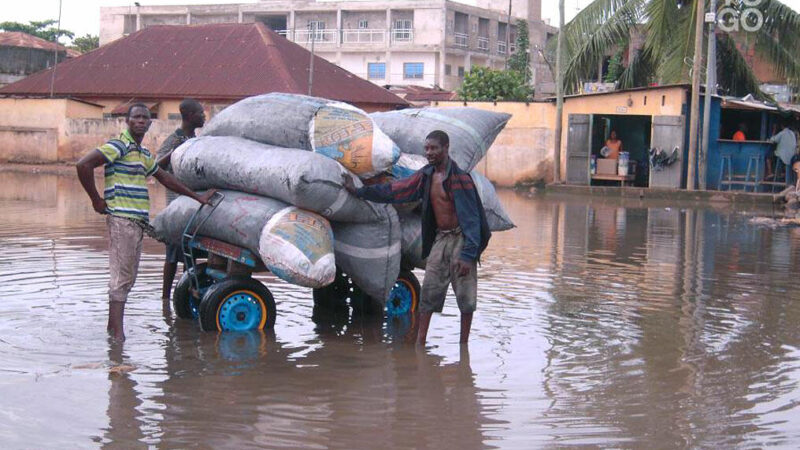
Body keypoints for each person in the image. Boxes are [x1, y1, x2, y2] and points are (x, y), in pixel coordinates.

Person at [76, 103, 216, 341]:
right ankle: (118, 335)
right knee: (122, 276)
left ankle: (113, 329)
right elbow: (83, 165)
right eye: (136, 117)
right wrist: (96, 200)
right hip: (122, 219)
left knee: (127, 276)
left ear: (150, 123)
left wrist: (197, 197)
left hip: (136, 222)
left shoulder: (142, 154)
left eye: (145, 118)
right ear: (127, 122)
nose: (141, 121)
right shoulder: (118, 146)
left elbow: (165, 178)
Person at [342, 130, 491, 346]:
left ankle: (463, 347)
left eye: (434, 148)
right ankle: (420, 343)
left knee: (465, 299)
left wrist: (468, 255)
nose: (429, 152)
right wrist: (360, 191)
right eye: (427, 148)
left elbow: (473, 220)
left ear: (446, 148)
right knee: (429, 292)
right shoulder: (427, 176)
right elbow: (397, 190)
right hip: (441, 239)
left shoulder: (460, 179)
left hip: (461, 239)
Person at [156, 99, 206, 303]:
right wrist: (176, 150)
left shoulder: (196, 139)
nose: (204, 117)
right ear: (189, 115)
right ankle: (166, 299)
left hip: (193, 207)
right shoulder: (175, 139)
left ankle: (185, 296)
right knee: (172, 255)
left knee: (190, 255)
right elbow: (156, 166)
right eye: (200, 113)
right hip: (176, 206)